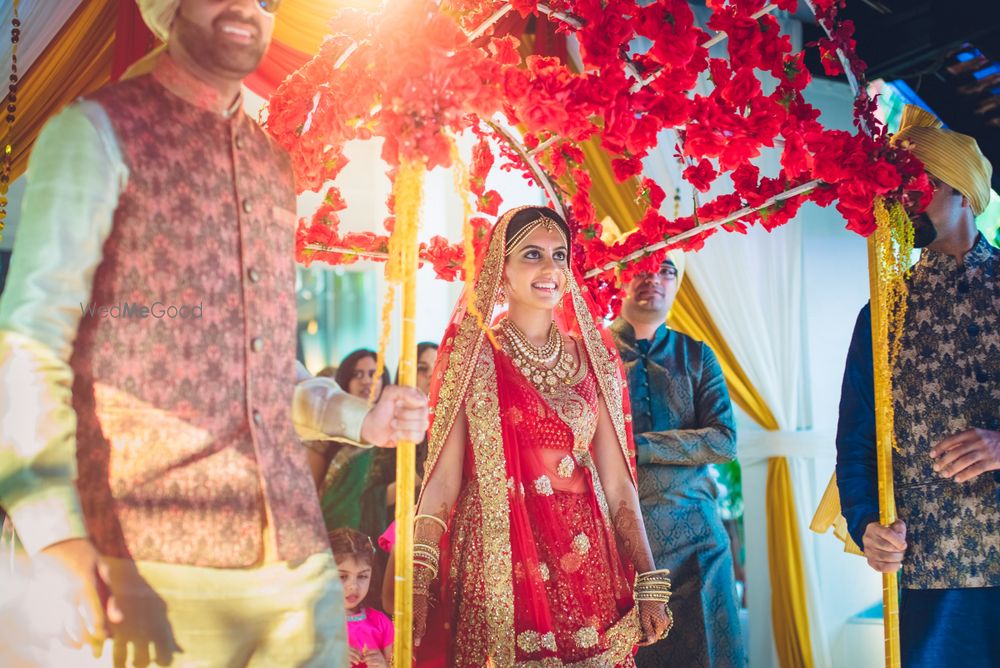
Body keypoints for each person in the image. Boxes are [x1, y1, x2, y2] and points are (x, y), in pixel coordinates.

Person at [0, 1, 428, 664]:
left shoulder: (270, 168)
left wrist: (361, 419)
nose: (245, 6)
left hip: (287, 556)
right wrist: (58, 539)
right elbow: (29, 349)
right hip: (146, 554)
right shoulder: (94, 136)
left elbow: (259, 366)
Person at [410, 206, 671, 666]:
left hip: (586, 559)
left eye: (559, 255)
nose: (550, 268)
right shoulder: (472, 358)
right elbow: (443, 483)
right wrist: (415, 576)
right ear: (501, 271)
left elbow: (618, 485)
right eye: (532, 255)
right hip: (498, 564)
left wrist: (648, 578)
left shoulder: (596, 360)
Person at [836, 104, 999, 666]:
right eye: (898, 188)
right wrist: (865, 526)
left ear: (962, 193)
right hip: (933, 565)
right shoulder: (882, 311)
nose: (904, 199)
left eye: (918, 185)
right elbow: (855, 442)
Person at [609, 254, 743, 668]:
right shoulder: (591, 353)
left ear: (676, 283)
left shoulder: (696, 355)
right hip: (617, 538)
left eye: (666, 270)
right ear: (617, 277)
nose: (653, 278)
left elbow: (724, 441)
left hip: (698, 542)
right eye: (640, 267)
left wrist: (640, 447)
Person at [360, 342, 439, 540]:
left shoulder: (457, 426)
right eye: (422, 369)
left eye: (438, 365)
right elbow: (367, 502)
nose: (431, 374)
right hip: (396, 540)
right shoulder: (388, 429)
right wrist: (414, 478)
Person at [306, 349, 392, 531]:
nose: (367, 381)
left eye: (374, 374)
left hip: (380, 537)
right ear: (345, 380)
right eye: (357, 375)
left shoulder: (395, 435)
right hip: (332, 535)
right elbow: (308, 493)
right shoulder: (325, 432)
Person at [329, 528, 393, 668]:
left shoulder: (380, 623)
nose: (353, 586)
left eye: (362, 576)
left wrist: (384, 665)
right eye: (342, 577)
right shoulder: (313, 623)